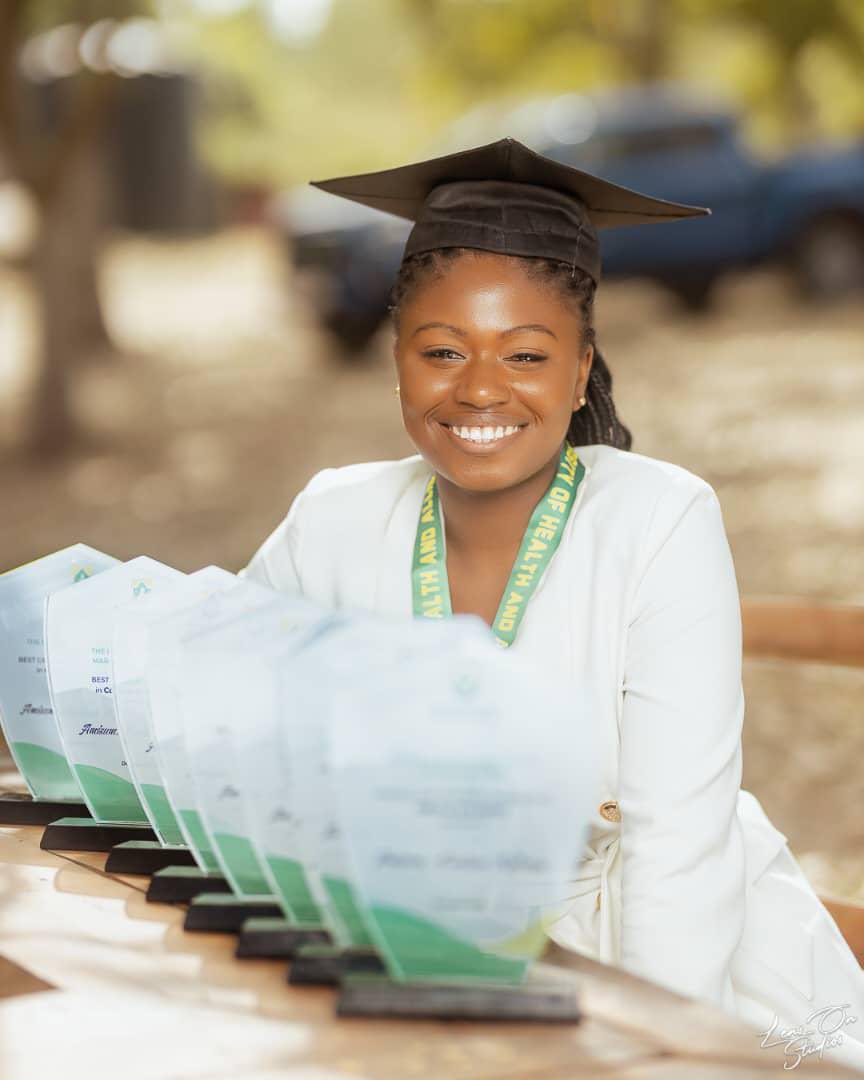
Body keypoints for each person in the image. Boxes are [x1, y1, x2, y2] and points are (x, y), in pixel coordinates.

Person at [241, 138, 864, 1068]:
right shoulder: (330, 521)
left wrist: (654, 1047)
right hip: (405, 957)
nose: (480, 387)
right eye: (442, 350)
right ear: (396, 361)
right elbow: (218, 722)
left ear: (580, 373)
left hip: (658, 969)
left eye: (525, 354)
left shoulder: (659, 520)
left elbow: (678, 854)